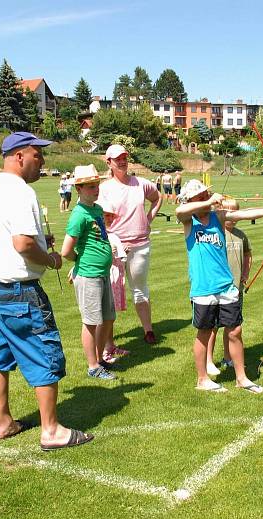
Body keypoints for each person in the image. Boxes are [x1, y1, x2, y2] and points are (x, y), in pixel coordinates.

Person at [0, 131, 92, 450]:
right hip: (18, 291)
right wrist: (51, 259)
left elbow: (9, 236)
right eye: (38, 155)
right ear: (19, 157)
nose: (43, 161)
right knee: (44, 352)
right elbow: (23, 243)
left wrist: (41, 243)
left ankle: (3, 422)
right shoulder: (19, 191)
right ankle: (52, 430)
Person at [176, 179, 263, 393]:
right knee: (204, 333)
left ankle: (241, 378)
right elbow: (181, 210)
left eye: (207, 194)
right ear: (192, 199)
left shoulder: (219, 216)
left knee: (235, 330)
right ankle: (202, 379)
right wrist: (208, 202)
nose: (206, 197)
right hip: (204, 288)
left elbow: (244, 214)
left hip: (226, 285)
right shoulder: (188, 221)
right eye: (201, 196)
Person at [98, 144, 163, 344]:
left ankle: (148, 330)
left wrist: (149, 218)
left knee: (140, 288)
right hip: (114, 247)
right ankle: (109, 341)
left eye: (125, 157)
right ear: (109, 162)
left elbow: (157, 197)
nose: (123, 161)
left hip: (140, 244)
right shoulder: (103, 189)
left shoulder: (141, 183)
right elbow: (98, 216)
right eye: (118, 159)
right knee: (110, 292)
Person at [61, 165, 117, 381]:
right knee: (91, 321)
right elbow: (66, 250)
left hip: (102, 272)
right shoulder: (79, 215)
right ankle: (93, 366)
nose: (96, 190)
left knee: (107, 318)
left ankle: (100, 359)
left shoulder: (96, 209)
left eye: (97, 185)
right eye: (91, 187)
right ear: (79, 189)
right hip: (89, 275)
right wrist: (79, 263)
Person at [205, 197, 252, 374]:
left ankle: (228, 357)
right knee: (212, 326)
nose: (231, 216)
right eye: (228, 212)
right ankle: (208, 360)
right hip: (218, 287)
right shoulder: (216, 232)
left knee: (232, 326)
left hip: (235, 288)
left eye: (235, 212)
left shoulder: (241, 235)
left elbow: (247, 254)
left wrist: (245, 273)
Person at [97, 197, 130, 362]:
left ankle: (110, 345)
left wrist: (124, 251)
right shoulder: (98, 235)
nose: (109, 219)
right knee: (105, 317)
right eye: (106, 215)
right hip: (106, 278)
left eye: (111, 216)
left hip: (115, 279)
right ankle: (103, 351)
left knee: (111, 315)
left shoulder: (112, 234)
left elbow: (120, 257)